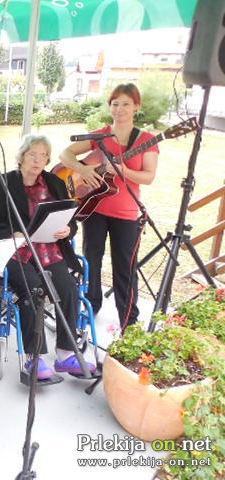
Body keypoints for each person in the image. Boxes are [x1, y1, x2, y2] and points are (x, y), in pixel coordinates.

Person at [0, 134, 96, 380]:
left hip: (49, 250)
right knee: (33, 291)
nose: (38, 160)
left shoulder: (55, 182)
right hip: (16, 253)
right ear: (21, 156)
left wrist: (68, 229)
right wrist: (11, 232)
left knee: (69, 290)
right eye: (33, 154)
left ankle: (65, 353)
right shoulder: (3, 183)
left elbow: (70, 217)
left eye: (43, 155)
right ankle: (35, 357)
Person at [58, 83, 159, 329]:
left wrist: (123, 171)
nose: (119, 109)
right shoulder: (99, 136)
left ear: (136, 107)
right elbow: (65, 155)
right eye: (115, 104)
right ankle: (90, 307)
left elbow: (148, 177)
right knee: (91, 261)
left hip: (126, 214)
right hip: (94, 209)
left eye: (126, 104)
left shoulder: (146, 140)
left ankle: (128, 322)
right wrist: (83, 169)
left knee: (124, 269)